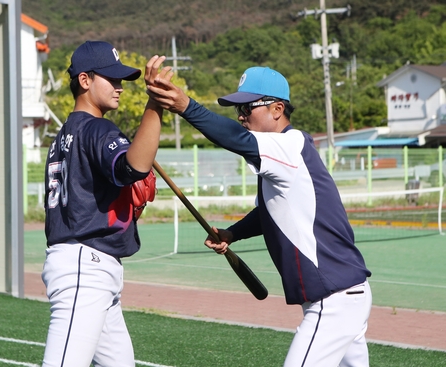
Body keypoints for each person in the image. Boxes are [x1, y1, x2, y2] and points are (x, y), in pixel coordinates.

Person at [147, 66, 372, 367]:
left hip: (334, 300)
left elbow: (236, 139)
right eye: (237, 109)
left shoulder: (289, 146)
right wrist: (233, 233)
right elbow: (267, 212)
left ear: (278, 109)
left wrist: (186, 106)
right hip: (344, 296)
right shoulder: (283, 157)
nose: (240, 116)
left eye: (246, 107)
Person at [42, 40, 172, 367]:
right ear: (85, 81)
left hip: (89, 264)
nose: (119, 87)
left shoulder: (64, 135)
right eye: (111, 79)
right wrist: (155, 104)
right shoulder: (96, 128)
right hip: (85, 266)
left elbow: (99, 193)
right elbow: (131, 168)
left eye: (121, 81)